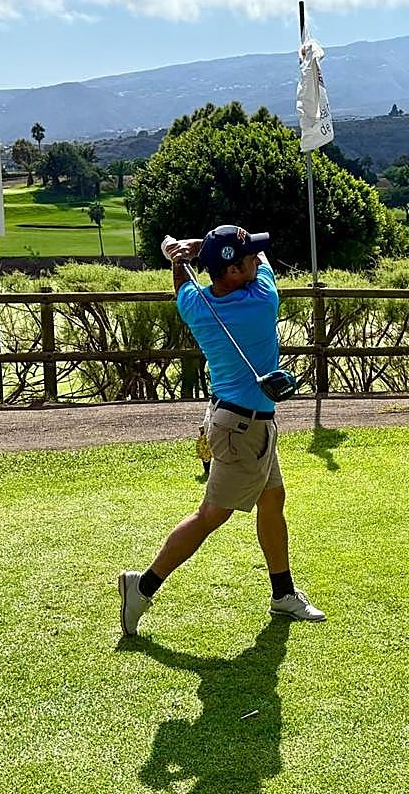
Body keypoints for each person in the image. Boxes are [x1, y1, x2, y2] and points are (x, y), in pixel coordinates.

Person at [118, 224, 325, 635]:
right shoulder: (262, 300)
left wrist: (183, 257)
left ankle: (283, 593)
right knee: (211, 516)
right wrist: (201, 247)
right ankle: (141, 587)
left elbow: (183, 283)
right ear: (233, 271)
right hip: (241, 431)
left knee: (273, 500)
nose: (255, 260)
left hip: (238, 422)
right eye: (246, 258)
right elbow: (263, 261)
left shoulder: (196, 307)